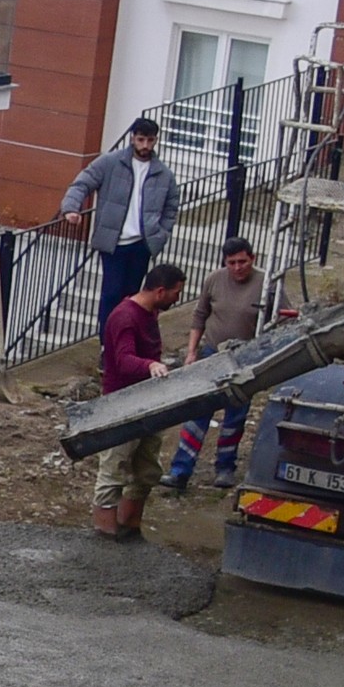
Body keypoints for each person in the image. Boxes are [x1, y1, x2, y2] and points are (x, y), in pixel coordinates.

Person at [92, 263, 188, 540]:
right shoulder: (125, 317)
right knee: (114, 467)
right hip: (120, 404)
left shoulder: (149, 313)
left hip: (146, 401)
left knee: (145, 468)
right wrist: (150, 366)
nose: (178, 298)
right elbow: (123, 361)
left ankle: (130, 526)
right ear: (160, 291)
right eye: (176, 293)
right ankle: (105, 533)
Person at [162, 236, 262, 493]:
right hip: (212, 353)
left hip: (245, 358)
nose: (238, 268)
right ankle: (180, 470)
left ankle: (225, 467)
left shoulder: (267, 283)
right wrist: (192, 352)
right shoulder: (214, 280)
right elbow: (200, 316)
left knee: (235, 416)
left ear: (252, 259)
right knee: (197, 411)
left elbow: (280, 319)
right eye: (232, 263)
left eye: (242, 262)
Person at [59, 118, 177, 335]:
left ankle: (124, 343)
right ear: (132, 138)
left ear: (155, 141)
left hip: (142, 243)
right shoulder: (110, 162)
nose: (145, 146)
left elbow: (171, 207)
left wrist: (160, 234)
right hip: (114, 242)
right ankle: (107, 344)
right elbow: (82, 182)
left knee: (132, 297)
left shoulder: (164, 174)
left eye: (150, 140)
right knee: (111, 294)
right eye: (141, 139)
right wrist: (71, 208)